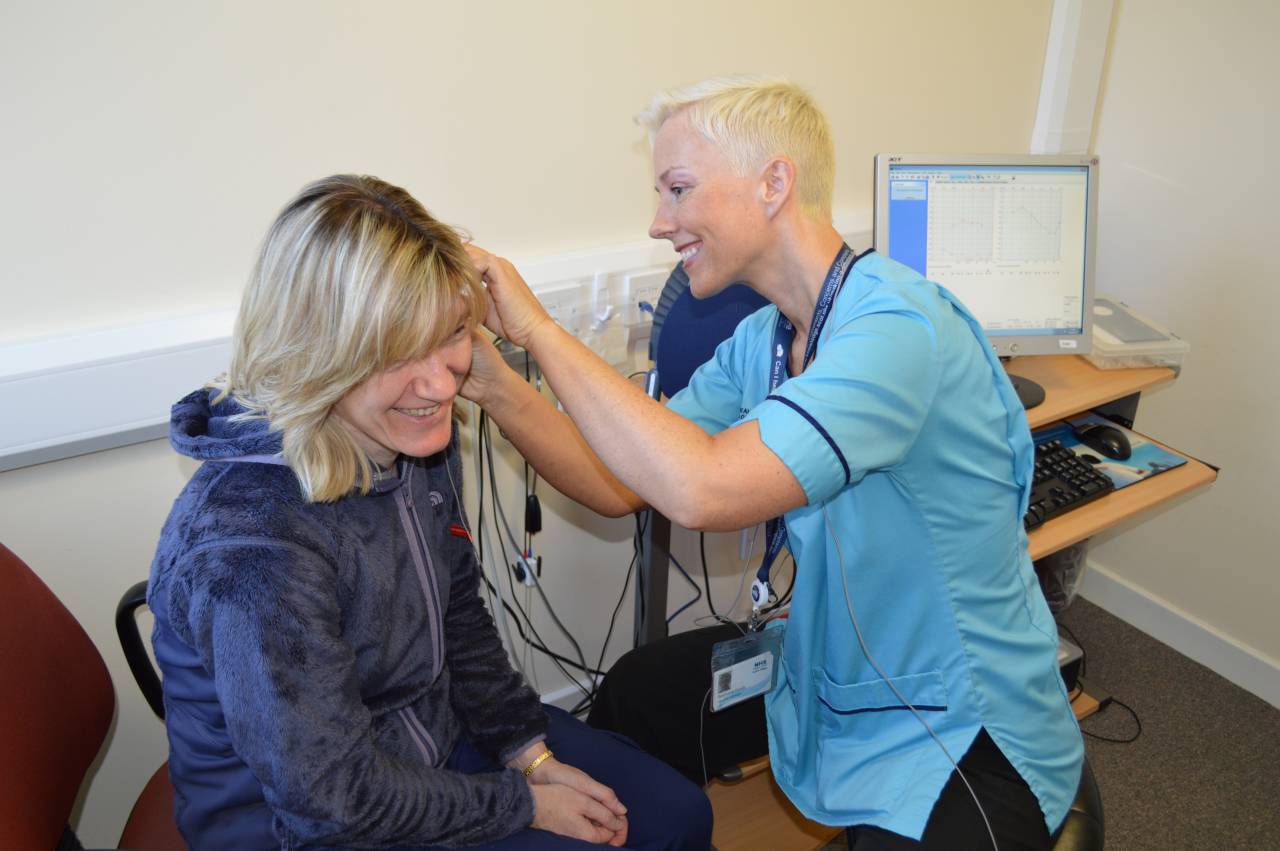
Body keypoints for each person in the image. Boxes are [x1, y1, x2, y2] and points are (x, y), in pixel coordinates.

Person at [462, 77, 1085, 849]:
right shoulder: (763, 341)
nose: (661, 223)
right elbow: (619, 482)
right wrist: (491, 381)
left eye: (679, 190)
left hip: (962, 715)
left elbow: (700, 486)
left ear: (774, 183)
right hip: (831, 652)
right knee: (639, 694)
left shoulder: (895, 331)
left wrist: (538, 328)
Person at [147, 174, 712, 850]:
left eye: (449, 335)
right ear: (317, 354)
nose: (442, 382)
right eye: (397, 353)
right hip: (313, 825)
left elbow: (458, 615)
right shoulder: (250, 543)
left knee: (678, 817)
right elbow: (332, 801)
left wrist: (527, 751)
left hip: (426, 745)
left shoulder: (406, 438)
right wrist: (519, 804)